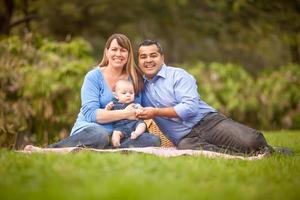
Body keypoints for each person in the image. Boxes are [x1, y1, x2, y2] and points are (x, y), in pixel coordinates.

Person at [136, 39, 274, 155]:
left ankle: (269, 151)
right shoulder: (140, 87)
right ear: (138, 60)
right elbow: (127, 102)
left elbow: (190, 108)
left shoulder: (178, 75)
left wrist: (156, 112)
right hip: (185, 139)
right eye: (143, 57)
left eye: (153, 55)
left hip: (208, 123)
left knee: (252, 141)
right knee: (189, 149)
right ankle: (244, 156)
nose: (148, 60)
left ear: (162, 57)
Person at [43, 34, 160, 149]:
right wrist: (125, 114)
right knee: (100, 136)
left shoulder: (135, 78)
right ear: (107, 52)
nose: (118, 54)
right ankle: (52, 149)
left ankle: (110, 148)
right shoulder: (93, 76)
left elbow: (135, 111)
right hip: (93, 129)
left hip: (122, 133)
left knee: (153, 140)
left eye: (123, 50)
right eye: (114, 49)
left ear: (129, 54)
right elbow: (91, 114)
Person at [105, 79, 148, 148]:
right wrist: (108, 108)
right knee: (116, 133)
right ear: (116, 95)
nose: (128, 95)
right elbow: (107, 114)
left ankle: (136, 134)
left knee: (142, 124)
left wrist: (140, 110)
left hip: (134, 124)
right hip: (121, 127)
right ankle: (116, 145)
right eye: (124, 93)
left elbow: (141, 109)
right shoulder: (113, 104)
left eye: (131, 93)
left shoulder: (135, 104)